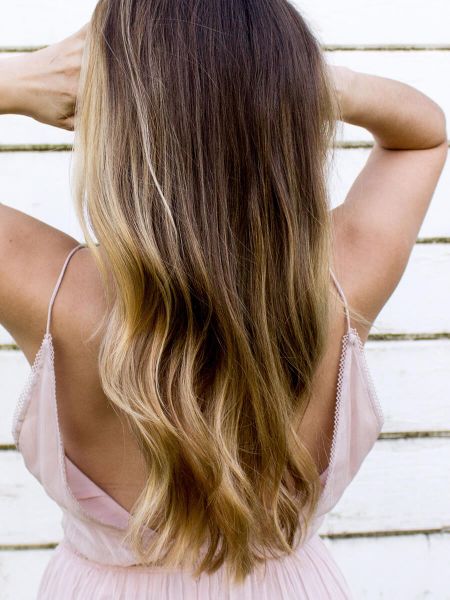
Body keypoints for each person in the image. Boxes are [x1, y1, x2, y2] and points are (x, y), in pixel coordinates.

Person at [0, 1, 447, 598]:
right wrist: (294, 76)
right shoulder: (343, 279)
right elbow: (423, 135)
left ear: (112, 119)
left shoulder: (50, 292)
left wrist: (16, 80)